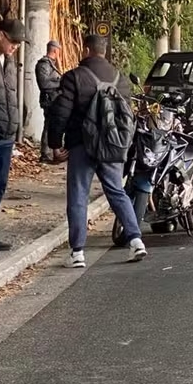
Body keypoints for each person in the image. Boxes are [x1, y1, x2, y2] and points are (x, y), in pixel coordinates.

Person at [47, 34, 146, 267]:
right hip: (112, 147)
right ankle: (136, 241)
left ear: (87, 50)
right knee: (117, 192)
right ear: (105, 51)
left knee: (78, 196)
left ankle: (78, 253)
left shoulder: (74, 77)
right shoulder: (122, 80)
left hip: (82, 145)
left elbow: (60, 112)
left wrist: (54, 144)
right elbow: (127, 116)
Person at [0, 19, 27, 252]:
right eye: (12, 41)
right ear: (0, 35)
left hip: (7, 133)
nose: (15, 47)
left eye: (19, 44)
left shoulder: (10, 62)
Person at [35, 40, 62, 163]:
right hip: (49, 100)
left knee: (53, 125)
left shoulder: (51, 64)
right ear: (55, 50)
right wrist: (61, 83)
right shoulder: (44, 64)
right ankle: (45, 154)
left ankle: (52, 151)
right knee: (48, 126)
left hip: (55, 100)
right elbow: (44, 83)